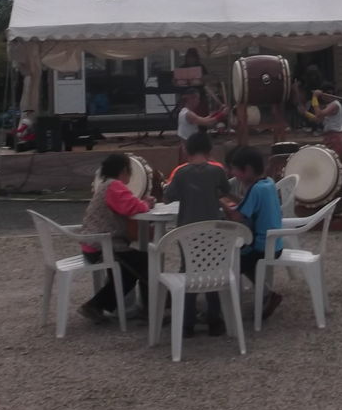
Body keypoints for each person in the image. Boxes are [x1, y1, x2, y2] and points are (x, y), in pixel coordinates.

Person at [164, 132, 233, 338]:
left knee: (188, 272)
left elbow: (170, 196)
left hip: (188, 230)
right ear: (209, 151)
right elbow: (225, 189)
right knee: (212, 269)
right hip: (213, 229)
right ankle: (215, 320)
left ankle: (187, 323)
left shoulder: (181, 173)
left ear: (187, 150)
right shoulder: (217, 171)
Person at [78, 153, 153, 324]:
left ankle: (98, 305)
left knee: (132, 267)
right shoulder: (115, 186)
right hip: (103, 246)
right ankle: (151, 309)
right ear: (124, 170)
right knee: (143, 261)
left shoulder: (105, 185)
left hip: (94, 245)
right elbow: (134, 207)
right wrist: (148, 203)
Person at [224, 146, 284, 321]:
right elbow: (246, 204)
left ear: (247, 170)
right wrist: (228, 195)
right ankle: (266, 293)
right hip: (275, 244)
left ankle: (222, 310)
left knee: (229, 262)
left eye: (235, 169)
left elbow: (236, 217)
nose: (233, 173)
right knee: (243, 260)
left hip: (261, 247)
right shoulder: (268, 183)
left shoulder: (255, 189)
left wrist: (220, 201)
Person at [176, 88, 226, 159]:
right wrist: (222, 114)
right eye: (198, 99)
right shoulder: (188, 114)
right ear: (191, 99)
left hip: (189, 147)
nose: (199, 101)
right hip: (189, 149)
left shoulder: (184, 112)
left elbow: (204, 119)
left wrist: (218, 112)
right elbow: (208, 122)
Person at [307, 88, 342, 158]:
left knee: (334, 161)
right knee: (333, 161)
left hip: (335, 137)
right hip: (329, 136)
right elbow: (318, 119)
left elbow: (319, 114)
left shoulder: (335, 104)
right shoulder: (329, 106)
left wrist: (314, 97)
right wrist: (305, 113)